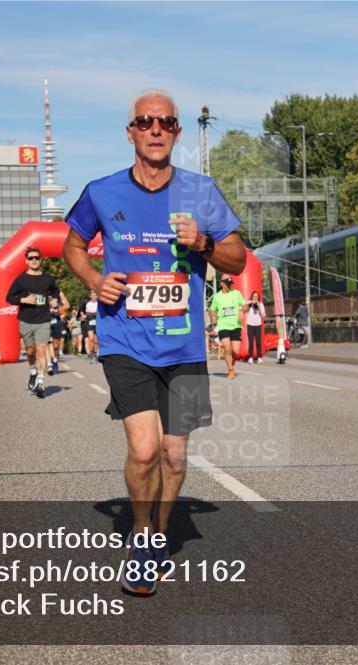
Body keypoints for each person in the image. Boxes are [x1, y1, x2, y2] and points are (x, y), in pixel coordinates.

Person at [62, 88, 246, 596]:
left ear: (178, 132)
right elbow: (71, 245)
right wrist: (94, 280)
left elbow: (237, 260)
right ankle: (141, 539)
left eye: (165, 122)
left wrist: (204, 243)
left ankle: (161, 534)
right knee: (144, 451)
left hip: (184, 346)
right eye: (145, 122)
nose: (156, 129)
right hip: (126, 338)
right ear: (131, 133)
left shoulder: (200, 192)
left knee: (175, 457)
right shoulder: (102, 192)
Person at [6, 246, 67, 398]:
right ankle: (33, 371)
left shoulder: (48, 279)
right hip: (26, 320)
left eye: (37, 258)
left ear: (41, 260)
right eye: (31, 258)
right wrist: (24, 299)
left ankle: (40, 382)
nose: (34, 260)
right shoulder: (21, 279)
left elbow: (55, 294)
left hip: (43, 320)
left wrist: (55, 302)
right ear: (27, 261)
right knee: (30, 351)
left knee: (41, 350)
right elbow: (9, 297)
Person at [210, 277, 247, 378]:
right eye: (227, 283)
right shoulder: (217, 297)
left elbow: (245, 305)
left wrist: (242, 310)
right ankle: (231, 370)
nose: (229, 285)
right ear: (221, 283)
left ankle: (232, 358)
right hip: (223, 326)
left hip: (236, 325)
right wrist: (213, 317)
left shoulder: (236, 293)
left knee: (235, 351)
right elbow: (212, 309)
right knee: (227, 348)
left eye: (230, 283)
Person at [245, 291, 266, 364]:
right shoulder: (249, 303)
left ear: (258, 297)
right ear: (252, 297)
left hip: (258, 325)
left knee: (258, 342)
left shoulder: (260, 304)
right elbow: (244, 304)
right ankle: (250, 357)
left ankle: (259, 357)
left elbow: (263, 315)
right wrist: (251, 302)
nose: (255, 298)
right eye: (254, 296)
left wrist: (259, 307)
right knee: (250, 342)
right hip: (250, 325)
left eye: (256, 296)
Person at [83, 290, 99, 363]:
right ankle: (90, 354)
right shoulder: (88, 304)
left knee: (96, 341)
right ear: (90, 296)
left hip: (97, 320)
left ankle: (95, 355)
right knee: (91, 338)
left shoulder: (99, 304)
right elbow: (88, 312)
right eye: (92, 295)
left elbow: (98, 312)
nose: (93, 296)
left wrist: (94, 313)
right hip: (89, 320)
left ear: (97, 297)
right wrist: (94, 313)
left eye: (95, 295)